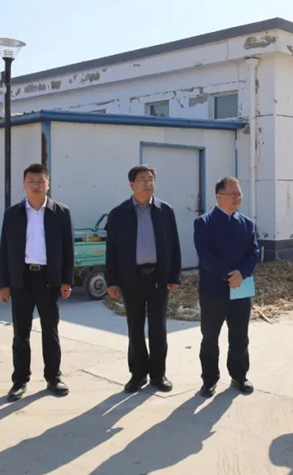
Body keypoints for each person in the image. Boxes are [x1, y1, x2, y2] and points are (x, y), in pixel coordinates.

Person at [0, 163, 74, 402]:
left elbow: (68, 250)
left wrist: (66, 280)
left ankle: (53, 377)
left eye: (41, 181)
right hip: (21, 280)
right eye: (31, 181)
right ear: (24, 184)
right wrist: (4, 284)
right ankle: (19, 381)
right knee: (21, 333)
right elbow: (4, 250)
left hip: (49, 280)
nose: (36, 186)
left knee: (50, 331)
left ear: (48, 184)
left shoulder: (61, 213)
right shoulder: (13, 214)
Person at [106, 165, 182, 393]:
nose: (148, 184)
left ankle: (158, 375)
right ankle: (138, 375)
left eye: (151, 179)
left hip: (158, 277)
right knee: (135, 327)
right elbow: (112, 250)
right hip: (131, 278)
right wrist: (112, 281)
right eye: (142, 180)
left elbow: (174, 244)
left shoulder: (164, 210)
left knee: (158, 327)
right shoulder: (119, 213)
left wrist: (174, 275)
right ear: (132, 185)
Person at [193, 176, 261, 398]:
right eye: (232, 194)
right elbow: (205, 255)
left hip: (242, 286)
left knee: (240, 335)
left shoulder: (247, 223)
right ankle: (209, 379)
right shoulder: (204, 223)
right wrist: (228, 275)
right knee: (210, 337)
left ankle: (239, 376)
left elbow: (254, 252)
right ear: (218, 196)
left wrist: (242, 273)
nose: (236, 198)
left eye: (239, 194)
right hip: (213, 288)